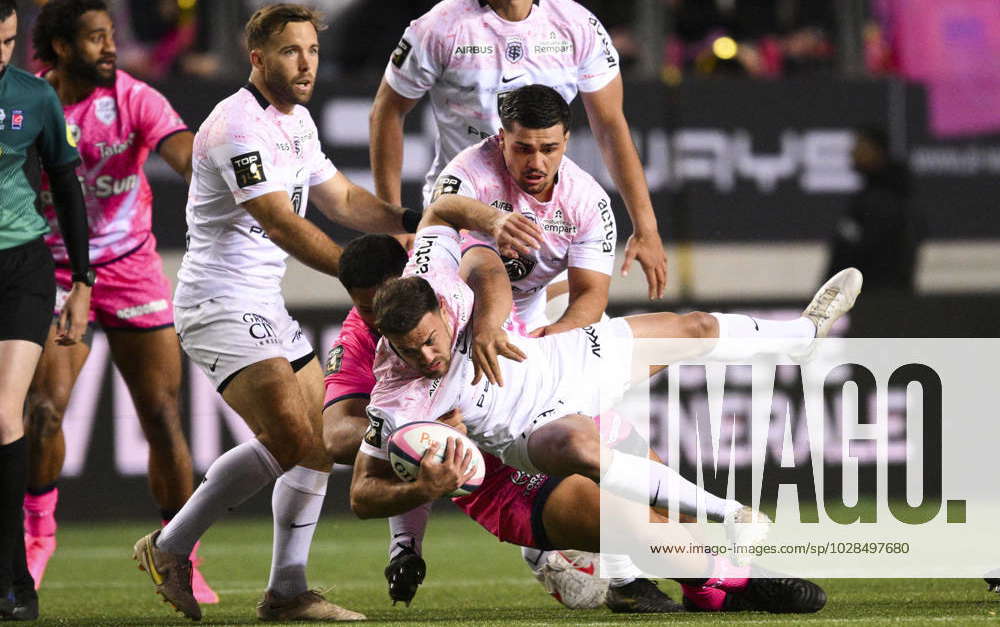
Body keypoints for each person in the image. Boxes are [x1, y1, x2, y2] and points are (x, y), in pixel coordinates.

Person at [326, 234, 826, 614]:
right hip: (505, 465)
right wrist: (410, 526)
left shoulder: (445, 268)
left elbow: (476, 249)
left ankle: (698, 582)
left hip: (556, 379)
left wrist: (488, 320)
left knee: (685, 341)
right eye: (365, 308)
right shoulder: (377, 364)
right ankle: (728, 577)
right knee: (631, 522)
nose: (420, 353)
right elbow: (372, 452)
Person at [131, 4, 418, 622]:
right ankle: (169, 546)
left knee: (314, 443)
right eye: (291, 51)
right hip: (217, 302)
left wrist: (405, 221)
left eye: (312, 50)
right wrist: (358, 277)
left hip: (262, 303)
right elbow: (280, 221)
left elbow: (338, 196)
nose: (306, 63)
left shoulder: (299, 122)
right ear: (258, 58)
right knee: (290, 436)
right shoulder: (236, 125)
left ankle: (287, 591)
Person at [24, 0, 216, 601]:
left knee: (161, 415)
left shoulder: (135, 97)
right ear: (58, 48)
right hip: (56, 270)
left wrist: (217, 178)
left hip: (132, 267)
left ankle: (181, 553)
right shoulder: (30, 104)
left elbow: (185, 153)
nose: (111, 48)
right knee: (44, 412)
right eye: (94, 39)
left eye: (110, 36)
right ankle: (36, 538)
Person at [369, 0, 668, 300]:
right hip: (459, 214)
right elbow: (387, 112)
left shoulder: (578, 26)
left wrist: (646, 227)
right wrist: (393, 223)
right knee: (454, 334)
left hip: (549, 222)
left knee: (571, 333)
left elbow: (610, 125)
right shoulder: (439, 26)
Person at [0, 0, 92, 619]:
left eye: (6, 40)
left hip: (21, 268)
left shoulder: (33, 97)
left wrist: (82, 281)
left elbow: (66, 186)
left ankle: (13, 582)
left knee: (5, 414)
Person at [826, 127, 923, 293]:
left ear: (878, 151)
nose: (853, 152)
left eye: (860, 146)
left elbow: (867, 255)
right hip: (858, 297)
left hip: (878, 298)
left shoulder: (891, 200)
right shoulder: (866, 197)